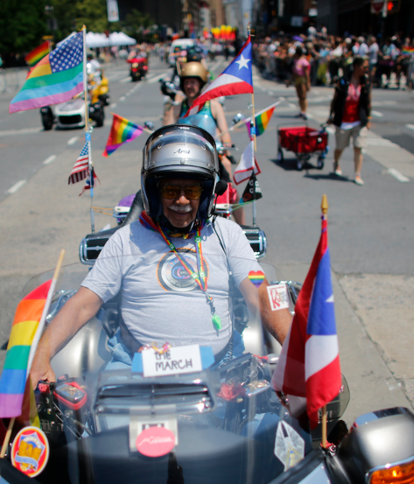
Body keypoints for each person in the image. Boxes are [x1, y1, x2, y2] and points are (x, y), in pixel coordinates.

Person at [29, 125, 293, 384]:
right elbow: (83, 303)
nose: (181, 200)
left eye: (191, 190)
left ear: (206, 194)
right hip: (135, 371)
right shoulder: (125, 239)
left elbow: (259, 291)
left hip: (222, 371)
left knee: (272, 424)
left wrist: (299, 352)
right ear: (153, 193)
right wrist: (41, 355)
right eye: (170, 190)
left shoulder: (228, 234)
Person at [163, 61, 243, 224]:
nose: (189, 86)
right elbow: (165, 134)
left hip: (210, 159)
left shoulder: (213, 106)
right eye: (186, 82)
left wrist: (225, 145)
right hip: (182, 160)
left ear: (200, 84)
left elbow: (225, 134)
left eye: (193, 82)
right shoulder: (177, 108)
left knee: (231, 189)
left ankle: (243, 227)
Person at [329, 56, 371, 186]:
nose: (366, 70)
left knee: (359, 147)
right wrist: (331, 115)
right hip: (344, 119)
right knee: (340, 147)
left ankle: (357, 174)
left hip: (359, 120)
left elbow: (368, 101)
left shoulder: (365, 82)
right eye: (364, 67)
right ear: (357, 67)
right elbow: (335, 99)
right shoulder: (344, 81)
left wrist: (368, 118)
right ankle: (336, 162)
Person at [291, 46, 311, 118]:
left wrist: (308, 83)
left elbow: (306, 73)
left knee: (303, 96)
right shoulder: (296, 60)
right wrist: (290, 81)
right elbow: (294, 72)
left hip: (303, 80)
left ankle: (304, 111)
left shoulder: (304, 61)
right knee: (299, 96)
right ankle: (301, 111)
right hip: (297, 79)